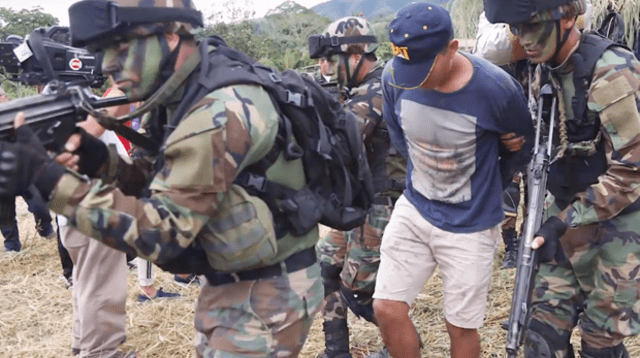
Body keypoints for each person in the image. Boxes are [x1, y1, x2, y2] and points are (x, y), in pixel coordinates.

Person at [0, 0, 323, 356]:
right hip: (235, 276)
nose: (107, 64)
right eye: (101, 51)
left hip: (270, 290)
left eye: (121, 46)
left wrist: (51, 181)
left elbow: (163, 233)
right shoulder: (183, 92)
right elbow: (162, 179)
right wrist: (98, 161)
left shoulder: (219, 109)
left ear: (170, 35)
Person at [374, 3, 534, 358]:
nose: (413, 77)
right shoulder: (394, 77)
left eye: (422, 67)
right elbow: (400, 136)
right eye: (406, 65)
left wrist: (489, 178)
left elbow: (521, 150)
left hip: (471, 223)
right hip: (415, 208)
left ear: (453, 48)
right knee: (387, 308)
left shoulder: (497, 89)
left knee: (460, 326)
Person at [483, 0, 640, 356]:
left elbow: (633, 171)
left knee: (601, 344)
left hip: (619, 229)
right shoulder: (546, 67)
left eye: (531, 26)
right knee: (540, 339)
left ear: (567, 18)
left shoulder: (612, 71)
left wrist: (563, 221)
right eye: (516, 29)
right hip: (563, 220)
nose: (524, 40)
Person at [309, 16, 406, 358]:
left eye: (331, 60)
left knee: (358, 288)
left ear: (354, 56)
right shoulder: (355, 90)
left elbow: (338, 143)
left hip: (384, 203)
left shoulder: (379, 89)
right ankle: (337, 351)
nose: (325, 68)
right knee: (324, 270)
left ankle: (403, 345)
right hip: (361, 202)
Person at [57, 86, 138, 358]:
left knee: (87, 283)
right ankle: (99, 353)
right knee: (103, 289)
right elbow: (87, 132)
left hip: (78, 206)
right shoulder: (73, 105)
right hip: (93, 209)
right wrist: (118, 95)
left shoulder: (67, 102)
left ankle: (84, 346)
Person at [0, 85, 55, 252]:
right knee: (5, 215)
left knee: (39, 204)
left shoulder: (18, 117)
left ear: (5, 97)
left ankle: (46, 229)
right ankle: (12, 247)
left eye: (1, 96)